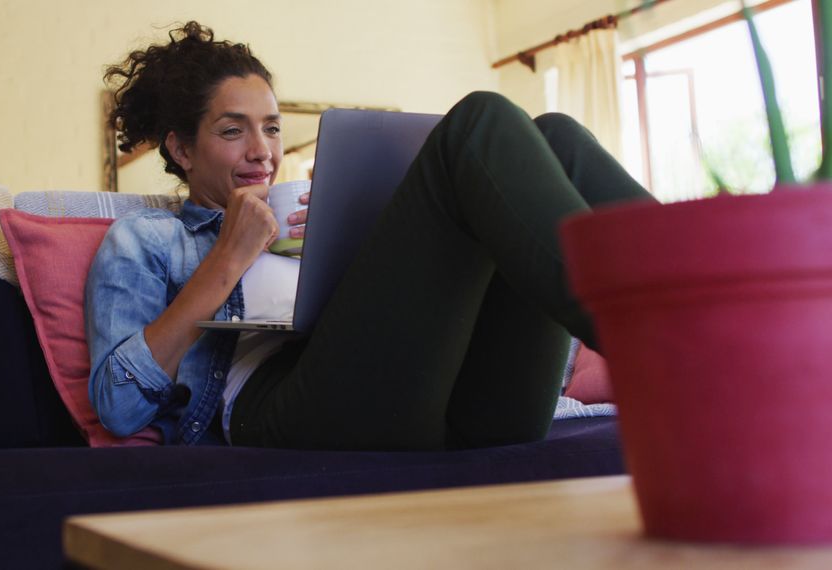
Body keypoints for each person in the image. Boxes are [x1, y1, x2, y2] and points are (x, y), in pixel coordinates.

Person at [85, 21, 656, 451]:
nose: (262, 151)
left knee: (555, 136)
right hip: (275, 403)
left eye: (273, 128)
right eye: (233, 131)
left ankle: (716, 313)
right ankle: (673, 353)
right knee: (479, 121)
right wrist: (225, 261)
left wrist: (360, 242)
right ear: (181, 149)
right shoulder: (147, 239)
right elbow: (117, 405)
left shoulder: (310, 217)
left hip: (448, 399)